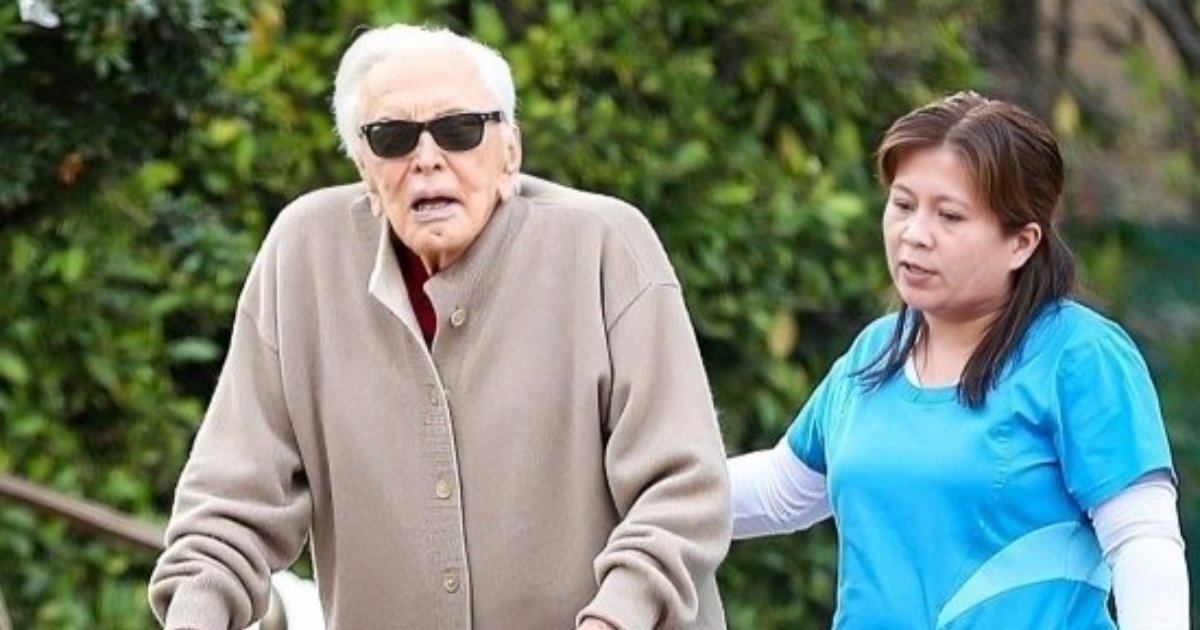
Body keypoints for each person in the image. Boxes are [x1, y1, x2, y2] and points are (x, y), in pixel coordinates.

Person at [148, 23, 731, 630]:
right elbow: (228, 509)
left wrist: (614, 620)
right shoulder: (302, 254)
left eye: (459, 130)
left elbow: (682, 491)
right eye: (393, 138)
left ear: (510, 153)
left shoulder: (607, 246)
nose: (427, 159)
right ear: (366, 169)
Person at [728, 91, 1189, 629]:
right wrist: (653, 488)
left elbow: (1142, 541)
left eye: (949, 216)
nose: (914, 235)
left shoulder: (1079, 355)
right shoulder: (874, 353)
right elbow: (782, 491)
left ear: (1022, 242)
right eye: (903, 205)